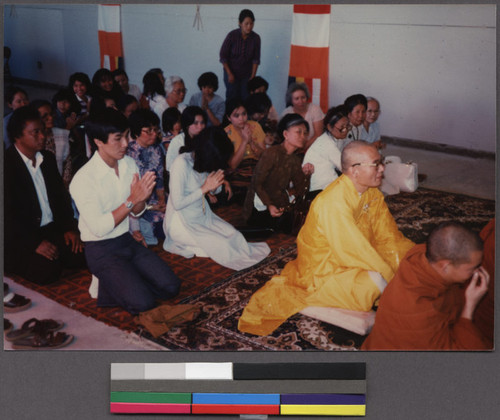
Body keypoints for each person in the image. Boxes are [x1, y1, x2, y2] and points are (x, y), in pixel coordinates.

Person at [238, 140, 414, 336]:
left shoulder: (371, 191)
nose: (382, 168)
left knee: (407, 259)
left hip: (356, 255)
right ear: (355, 171)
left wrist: (405, 259)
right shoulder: (333, 203)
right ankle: (321, 298)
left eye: (381, 162)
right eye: (376, 164)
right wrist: (394, 279)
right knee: (375, 281)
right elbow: (353, 251)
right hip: (324, 270)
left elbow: (387, 233)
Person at [69, 108, 181, 314]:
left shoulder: (129, 164)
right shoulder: (83, 179)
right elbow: (100, 227)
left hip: (126, 239)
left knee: (171, 286)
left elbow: (136, 212)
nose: (125, 143)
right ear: (98, 141)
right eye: (118, 138)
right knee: (143, 304)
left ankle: (121, 280)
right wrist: (132, 200)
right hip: (100, 249)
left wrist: (141, 199)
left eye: (127, 136)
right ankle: (111, 279)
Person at [361, 222, 491, 350]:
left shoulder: (424, 255)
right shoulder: (415, 309)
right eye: (472, 268)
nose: (477, 272)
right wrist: (469, 308)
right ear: (445, 266)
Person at [163, 126, 270, 270]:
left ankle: (194, 245)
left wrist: (215, 186)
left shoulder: (203, 161)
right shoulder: (180, 164)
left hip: (202, 215)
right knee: (223, 245)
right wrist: (204, 189)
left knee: (234, 235)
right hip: (181, 222)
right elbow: (177, 203)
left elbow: (213, 187)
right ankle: (179, 242)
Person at [4, 106, 85, 285]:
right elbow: (7, 218)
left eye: (42, 130)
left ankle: (56, 253)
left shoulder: (46, 159)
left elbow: (61, 199)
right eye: (35, 132)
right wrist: (34, 244)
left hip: (50, 228)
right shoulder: (7, 166)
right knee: (47, 272)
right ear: (17, 136)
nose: (42, 136)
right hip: (21, 236)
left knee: (83, 254)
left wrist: (69, 228)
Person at [243, 114, 313, 234]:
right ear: (286, 134)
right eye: (298, 132)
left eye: (305, 133)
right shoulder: (271, 153)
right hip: (260, 207)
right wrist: (269, 205)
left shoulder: (295, 159)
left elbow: (301, 190)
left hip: (278, 205)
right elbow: (257, 183)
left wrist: (307, 174)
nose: (303, 137)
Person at [127, 109, 166, 246]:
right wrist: (151, 207)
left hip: (155, 200)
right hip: (136, 206)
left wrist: (162, 200)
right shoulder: (128, 154)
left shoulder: (156, 150)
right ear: (137, 131)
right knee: (164, 231)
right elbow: (129, 194)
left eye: (155, 130)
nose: (154, 134)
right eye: (148, 131)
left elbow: (159, 179)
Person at [302, 105, 351, 195]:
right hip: (320, 190)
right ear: (329, 127)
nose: (346, 130)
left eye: (347, 126)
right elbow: (345, 168)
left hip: (327, 184)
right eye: (342, 128)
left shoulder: (335, 137)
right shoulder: (326, 143)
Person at [219, 9, 261, 102]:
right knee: (232, 97)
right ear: (240, 23)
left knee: (246, 98)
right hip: (231, 72)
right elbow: (223, 56)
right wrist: (229, 74)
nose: (249, 27)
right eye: (246, 24)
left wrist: (252, 77)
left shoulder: (256, 38)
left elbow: (256, 59)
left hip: (247, 74)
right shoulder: (232, 35)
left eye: (251, 24)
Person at [224, 98, 266, 170]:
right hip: (238, 170)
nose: (241, 118)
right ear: (229, 118)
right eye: (236, 116)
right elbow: (232, 165)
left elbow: (264, 156)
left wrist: (251, 142)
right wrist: (244, 142)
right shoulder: (225, 133)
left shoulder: (255, 126)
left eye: (244, 114)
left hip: (257, 167)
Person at [281, 82, 324, 150]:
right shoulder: (286, 113)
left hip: (313, 147)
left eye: (303, 97)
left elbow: (318, 134)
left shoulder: (315, 109)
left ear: (307, 97)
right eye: (297, 99)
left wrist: (303, 148)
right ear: (291, 100)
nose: (300, 101)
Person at [165, 106, 207, 172]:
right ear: (187, 124)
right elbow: (169, 167)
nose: (200, 127)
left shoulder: (207, 139)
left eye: (202, 123)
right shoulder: (177, 141)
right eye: (196, 123)